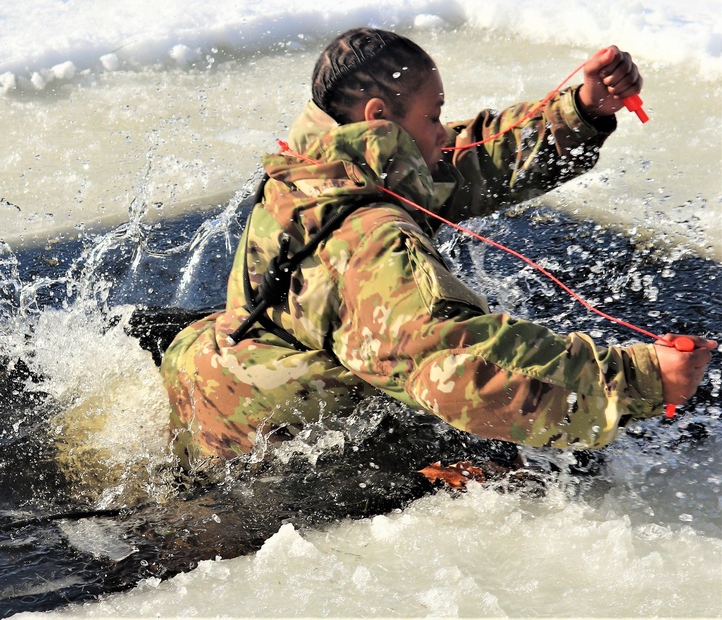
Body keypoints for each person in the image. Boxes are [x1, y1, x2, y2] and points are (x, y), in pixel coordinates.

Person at [160, 28, 715, 471]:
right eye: (432, 116)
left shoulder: (321, 168)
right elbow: (461, 367)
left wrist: (582, 110)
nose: (444, 133)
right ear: (379, 118)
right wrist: (640, 377)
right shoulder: (376, 241)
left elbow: (464, 160)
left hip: (220, 385)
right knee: (502, 468)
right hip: (267, 457)